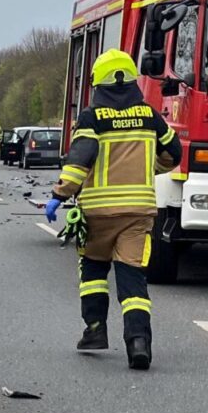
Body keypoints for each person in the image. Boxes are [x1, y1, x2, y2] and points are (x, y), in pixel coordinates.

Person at [47, 49, 182, 371]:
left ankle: (94, 331)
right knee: (132, 277)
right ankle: (138, 342)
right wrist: (146, 168)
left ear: (99, 82)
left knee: (93, 272)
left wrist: (59, 194)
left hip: (99, 213)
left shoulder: (92, 117)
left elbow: (80, 160)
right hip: (139, 212)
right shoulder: (150, 115)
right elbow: (173, 154)